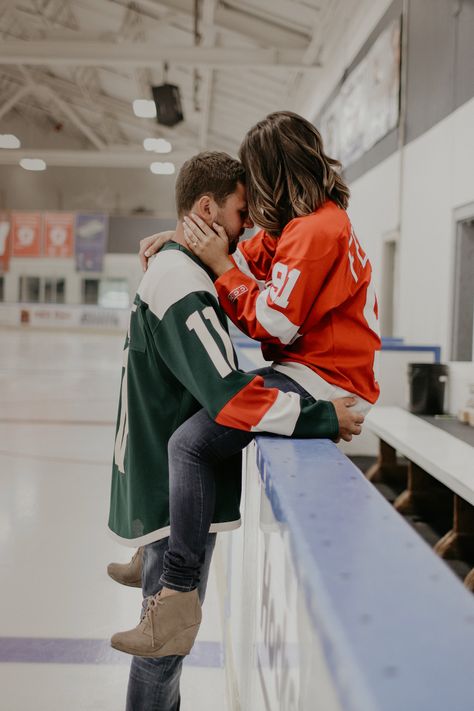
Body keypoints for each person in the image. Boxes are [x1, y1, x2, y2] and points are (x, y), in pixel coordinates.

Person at [108, 150, 364, 710]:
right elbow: (228, 393)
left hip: (154, 481)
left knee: (164, 649)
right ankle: (163, 571)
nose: (249, 223)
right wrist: (322, 416)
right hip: (167, 497)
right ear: (207, 208)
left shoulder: (179, 263)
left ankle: (157, 563)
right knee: (163, 651)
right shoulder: (182, 277)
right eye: (241, 209)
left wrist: (182, 240)